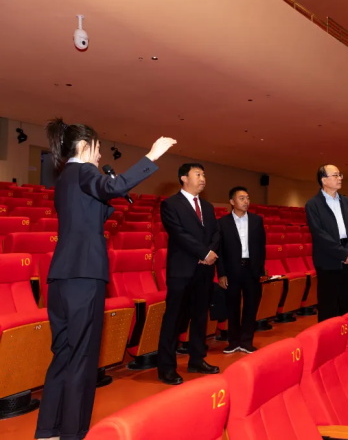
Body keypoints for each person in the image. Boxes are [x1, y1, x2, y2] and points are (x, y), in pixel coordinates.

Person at [35, 118, 175, 440]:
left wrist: (111, 196)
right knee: (83, 357)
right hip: (85, 276)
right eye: (98, 149)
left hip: (61, 277)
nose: (99, 157)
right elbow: (108, 188)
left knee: (64, 354)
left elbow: (91, 210)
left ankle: (48, 429)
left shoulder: (65, 178)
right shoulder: (84, 171)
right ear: (85, 146)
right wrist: (151, 157)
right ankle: (73, 432)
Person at [157, 163, 221, 386]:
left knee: (200, 317)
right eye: (198, 174)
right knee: (174, 320)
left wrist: (210, 253)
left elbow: (216, 233)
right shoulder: (170, 204)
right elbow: (179, 233)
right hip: (182, 270)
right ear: (184, 178)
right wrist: (203, 252)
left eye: (204, 174)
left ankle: (197, 359)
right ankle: (166, 368)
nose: (203, 178)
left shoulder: (208, 206)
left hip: (204, 269)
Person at [305, 165, 348, 322]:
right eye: (335, 175)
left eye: (340, 175)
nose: (340, 178)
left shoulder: (346, 201)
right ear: (324, 180)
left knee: (347, 302)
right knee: (328, 304)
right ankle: (329, 336)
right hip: (328, 258)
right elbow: (319, 233)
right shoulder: (313, 204)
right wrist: (343, 253)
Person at [216, 186, 266, 354]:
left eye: (247, 198)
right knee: (233, 307)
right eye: (242, 198)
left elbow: (261, 247)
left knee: (251, 306)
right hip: (232, 270)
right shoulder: (222, 223)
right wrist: (221, 273)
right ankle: (234, 341)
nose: (246, 201)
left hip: (252, 269)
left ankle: (246, 341)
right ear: (232, 201)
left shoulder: (257, 220)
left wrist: (260, 269)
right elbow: (219, 251)